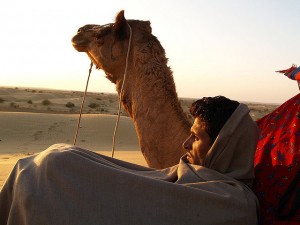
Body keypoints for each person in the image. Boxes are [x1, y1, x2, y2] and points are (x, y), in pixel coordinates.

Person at [0, 96, 259, 225]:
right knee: (58, 157)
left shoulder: (234, 204)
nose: (186, 144)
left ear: (225, 146)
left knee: (51, 169)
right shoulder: (189, 174)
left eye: (197, 138)